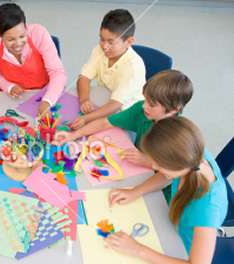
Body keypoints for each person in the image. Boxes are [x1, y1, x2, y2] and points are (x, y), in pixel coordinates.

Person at [105, 116, 227, 263]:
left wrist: (138, 249)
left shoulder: (207, 209)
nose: (154, 168)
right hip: (172, 225)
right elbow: (168, 175)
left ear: (176, 166)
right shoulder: (190, 154)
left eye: (159, 165)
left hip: (181, 250)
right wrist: (136, 191)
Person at [55, 70, 193, 169]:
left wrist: (147, 161)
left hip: (160, 185)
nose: (144, 105)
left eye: (151, 104)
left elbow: (170, 175)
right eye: (145, 99)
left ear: (174, 109)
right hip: (136, 170)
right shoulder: (141, 109)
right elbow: (105, 122)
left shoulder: (178, 137)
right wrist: (73, 135)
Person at [0, 3, 66, 117]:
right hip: (14, 99)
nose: (18, 44)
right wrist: (8, 86)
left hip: (44, 91)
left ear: (26, 27)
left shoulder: (39, 33)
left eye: (22, 36)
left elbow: (57, 72)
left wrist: (48, 101)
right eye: (10, 39)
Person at [73, 9, 145, 130]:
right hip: (107, 101)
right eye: (102, 39)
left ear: (129, 42)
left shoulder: (133, 66)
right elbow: (84, 78)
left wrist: (87, 118)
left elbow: (116, 105)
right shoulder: (99, 50)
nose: (105, 46)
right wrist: (84, 100)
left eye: (111, 42)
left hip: (129, 116)